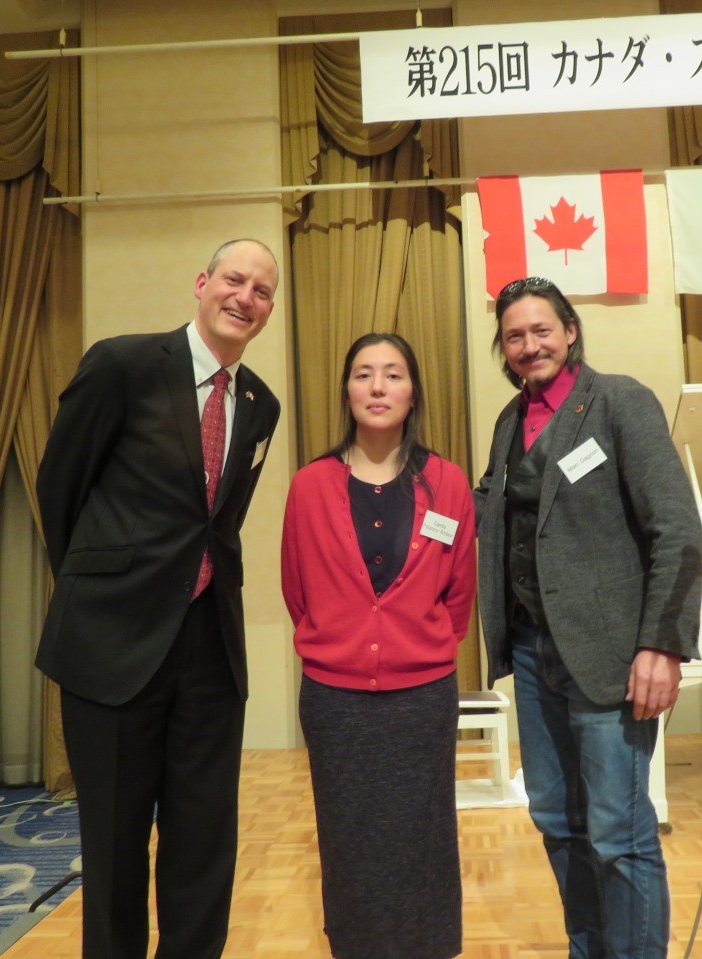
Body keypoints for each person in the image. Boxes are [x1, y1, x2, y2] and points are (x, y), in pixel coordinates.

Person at [34, 239, 281, 959]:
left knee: (204, 843)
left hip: (208, 649)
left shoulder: (260, 403)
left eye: (262, 291)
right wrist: (98, 592)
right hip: (111, 645)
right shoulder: (123, 364)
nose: (246, 297)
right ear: (202, 283)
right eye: (234, 279)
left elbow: (218, 524)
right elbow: (61, 488)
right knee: (113, 845)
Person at [473, 276, 702, 959]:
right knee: (556, 821)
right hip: (530, 654)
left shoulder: (619, 401)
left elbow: (676, 530)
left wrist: (660, 644)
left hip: (610, 660)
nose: (528, 344)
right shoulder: (507, 423)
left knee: (618, 832)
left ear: (570, 331)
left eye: (541, 329)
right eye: (514, 335)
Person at [280, 332, 476, 959]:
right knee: (348, 839)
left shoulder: (447, 484)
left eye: (392, 375)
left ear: (412, 392)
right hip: (336, 702)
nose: (377, 387)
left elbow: (459, 591)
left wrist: (419, 644)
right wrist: (341, 639)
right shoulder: (310, 485)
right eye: (364, 374)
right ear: (347, 391)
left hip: (421, 698)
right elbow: (297, 588)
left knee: (424, 835)